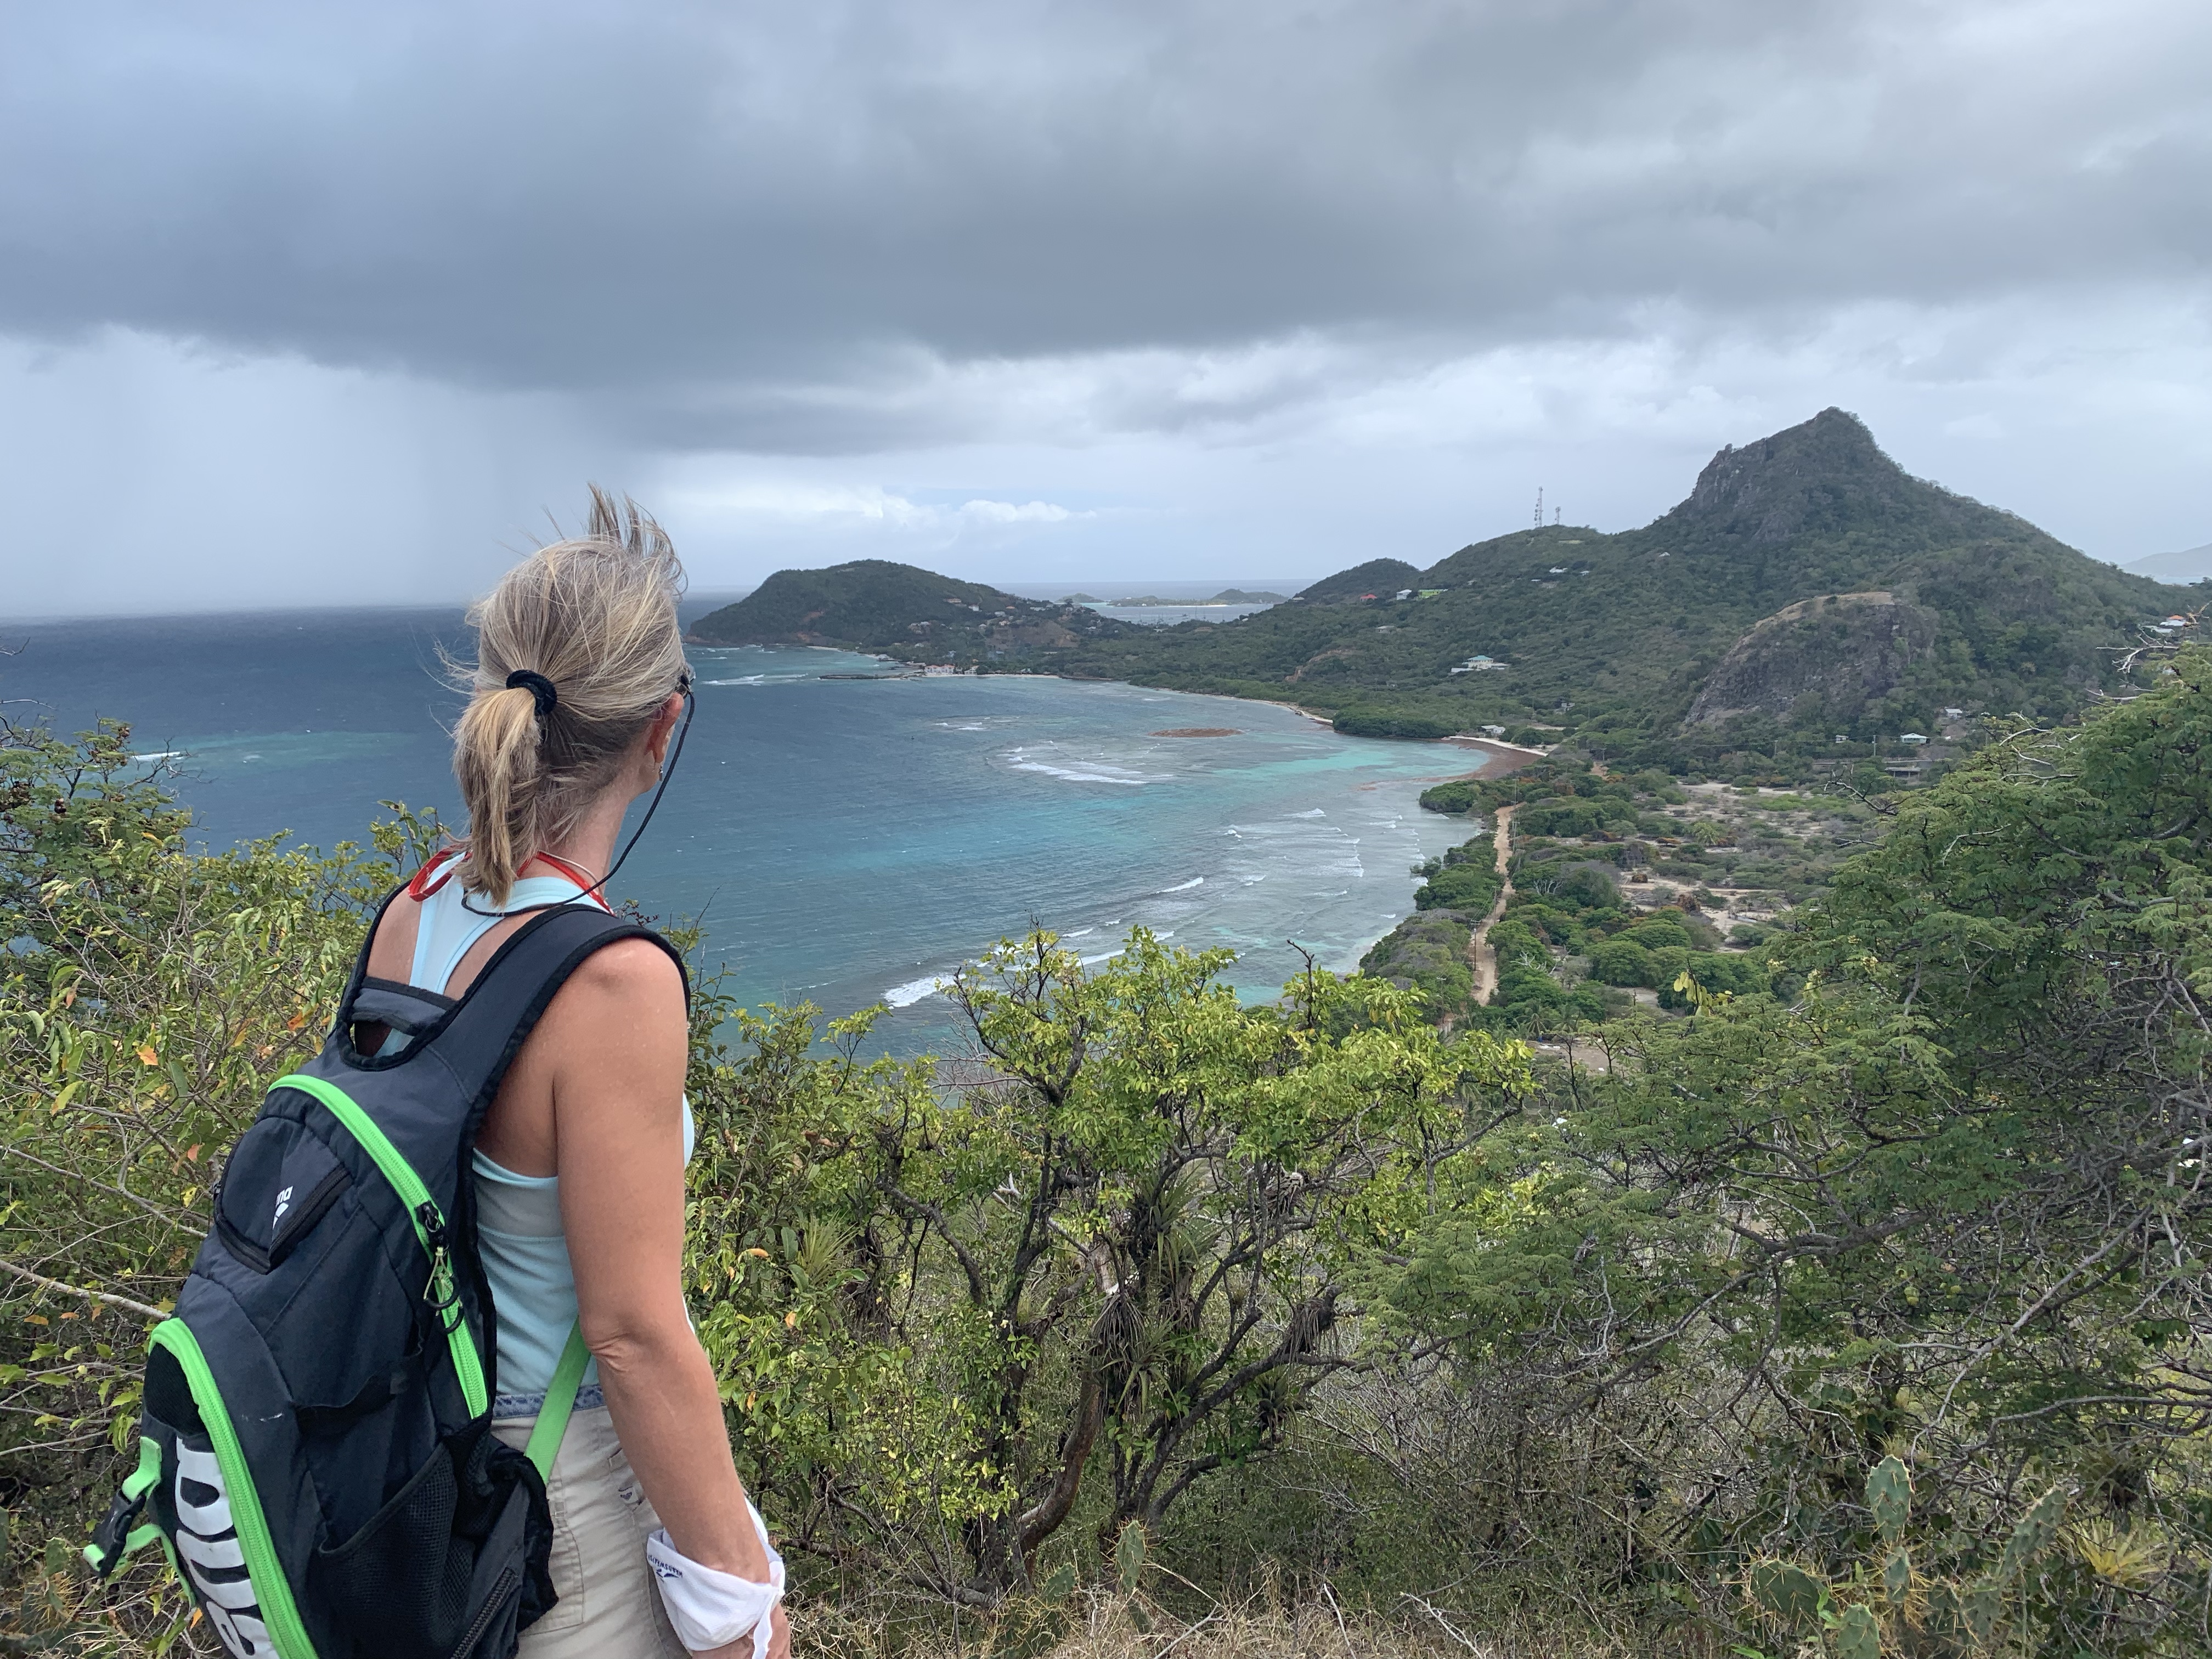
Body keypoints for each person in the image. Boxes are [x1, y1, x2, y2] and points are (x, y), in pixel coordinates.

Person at [363, 492, 788, 1659]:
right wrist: (740, 1597)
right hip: (557, 1492)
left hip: (418, 1451)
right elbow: (632, 1333)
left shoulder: (412, 910)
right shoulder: (612, 982)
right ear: (663, 728)